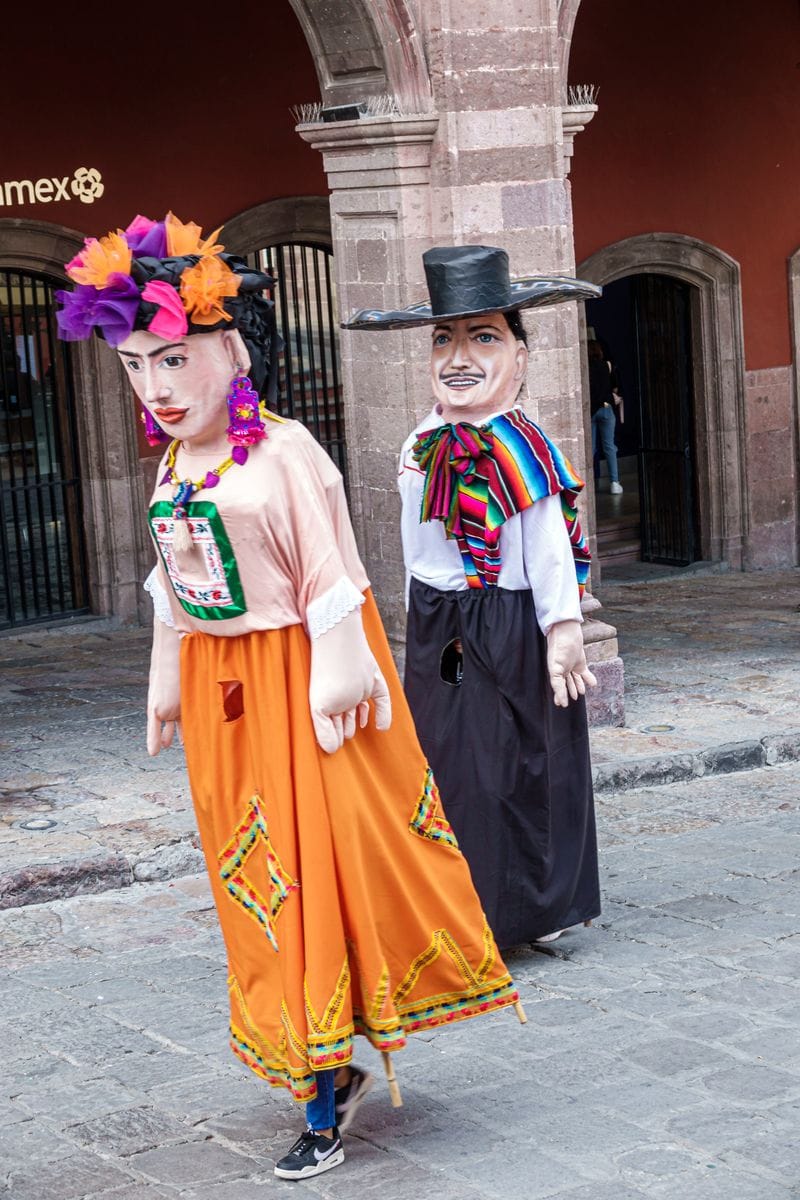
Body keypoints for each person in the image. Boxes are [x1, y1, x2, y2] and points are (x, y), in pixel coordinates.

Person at [55, 216, 523, 1180]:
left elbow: (332, 577)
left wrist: (342, 671)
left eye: (174, 360)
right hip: (220, 700)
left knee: (309, 878)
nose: (156, 387)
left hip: (301, 688)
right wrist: (161, 681)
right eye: (138, 365)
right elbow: (168, 587)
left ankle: (321, 1088)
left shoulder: (287, 453)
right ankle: (317, 1062)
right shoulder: (175, 465)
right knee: (251, 886)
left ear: (230, 350)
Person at [343, 245, 602, 949]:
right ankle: (458, 909)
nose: (459, 355)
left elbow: (550, 548)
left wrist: (564, 629)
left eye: (484, 336)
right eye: (443, 338)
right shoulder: (420, 443)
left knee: (518, 765)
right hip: (443, 626)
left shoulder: (526, 447)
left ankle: (526, 909)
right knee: (447, 762)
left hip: (511, 621)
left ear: (520, 354)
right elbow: (413, 545)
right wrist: (417, 634)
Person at [588, 338, 623, 494]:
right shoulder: (607, 366)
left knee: (591, 449)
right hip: (606, 408)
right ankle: (614, 482)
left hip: (591, 410)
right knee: (610, 447)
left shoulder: (585, 368)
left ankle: (589, 481)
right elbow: (614, 386)